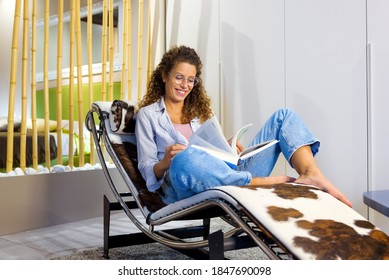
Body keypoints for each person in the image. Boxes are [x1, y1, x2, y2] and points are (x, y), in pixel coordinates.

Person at [135, 45, 352, 208]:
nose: (185, 85)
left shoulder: (200, 113)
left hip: (226, 176)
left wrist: (227, 146)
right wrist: (165, 162)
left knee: (283, 117)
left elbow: (211, 152)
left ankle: (309, 172)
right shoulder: (147, 116)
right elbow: (146, 170)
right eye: (179, 77)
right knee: (185, 159)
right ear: (165, 75)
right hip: (183, 185)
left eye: (191, 80)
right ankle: (256, 182)